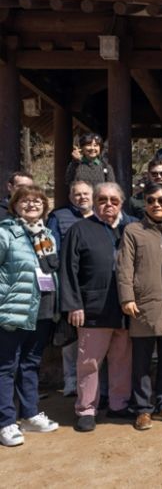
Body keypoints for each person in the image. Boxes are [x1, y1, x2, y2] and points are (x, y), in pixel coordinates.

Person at [60, 183, 137, 432]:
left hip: (125, 308)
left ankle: (118, 404)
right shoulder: (79, 229)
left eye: (114, 200)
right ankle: (86, 409)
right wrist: (73, 305)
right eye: (102, 200)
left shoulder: (131, 228)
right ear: (94, 202)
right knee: (89, 362)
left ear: (122, 203)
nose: (108, 204)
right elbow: (68, 270)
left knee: (122, 360)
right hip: (92, 308)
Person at [117, 183, 162, 431]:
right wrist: (127, 297)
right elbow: (124, 267)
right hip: (143, 305)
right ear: (144, 203)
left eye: (161, 200)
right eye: (150, 200)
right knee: (141, 362)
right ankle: (143, 409)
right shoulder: (133, 231)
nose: (156, 205)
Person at [0, 186, 59, 447]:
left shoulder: (46, 235)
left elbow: (51, 270)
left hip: (42, 307)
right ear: (14, 205)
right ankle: (5, 422)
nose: (32, 204)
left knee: (30, 363)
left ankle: (30, 413)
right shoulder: (6, 233)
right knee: (6, 366)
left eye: (37, 201)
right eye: (25, 200)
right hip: (13, 308)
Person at [47, 180, 94, 399]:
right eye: (77, 194)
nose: (82, 197)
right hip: (69, 282)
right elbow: (52, 249)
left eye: (86, 194)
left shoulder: (100, 216)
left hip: (93, 285)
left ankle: (92, 384)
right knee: (70, 336)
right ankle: (71, 381)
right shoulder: (59, 217)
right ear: (70, 196)